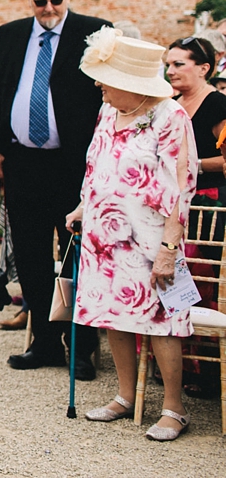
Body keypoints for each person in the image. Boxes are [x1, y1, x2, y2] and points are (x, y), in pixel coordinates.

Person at [65, 29, 197, 441]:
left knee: (162, 322)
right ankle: (124, 396)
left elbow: (182, 190)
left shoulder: (170, 118)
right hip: (105, 236)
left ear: (130, 85)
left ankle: (174, 409)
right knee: (114, 317)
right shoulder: (109, 110)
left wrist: (168, 249)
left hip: (151, 239)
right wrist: (83, 207)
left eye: (105, 80)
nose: (99, 86)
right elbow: (96, 166)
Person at [0, 0, 109, 379]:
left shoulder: (95, 33)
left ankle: (83, 347)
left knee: (77, 258)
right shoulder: (12, 34)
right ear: (29, 0)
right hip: (23, 164)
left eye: (56, 0)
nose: (49, 8)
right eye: (40, 2)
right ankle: (45, 342)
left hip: (75, 166)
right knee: (33, 257)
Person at [166, 36, 226, 398]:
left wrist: (191, 167)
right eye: (168, 64)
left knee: (201, 281)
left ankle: (204, 368)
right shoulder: (171, 105)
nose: (170, 71)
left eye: (179, 64)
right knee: (173, 276)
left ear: (204, 68)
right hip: (176, 203)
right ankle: (176, 361)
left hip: (208, 203)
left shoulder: (218, 103)